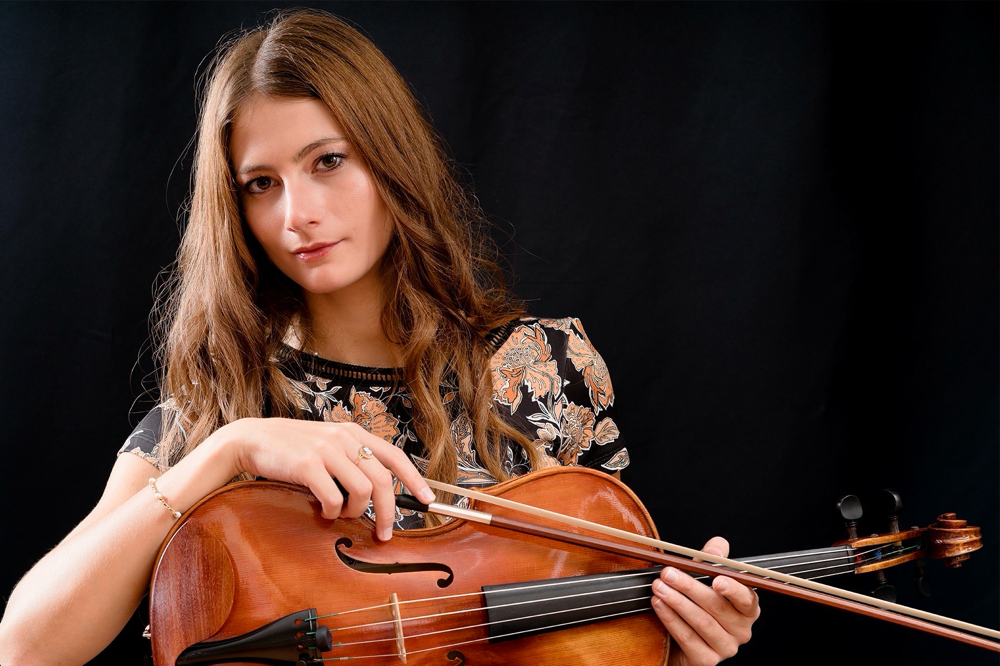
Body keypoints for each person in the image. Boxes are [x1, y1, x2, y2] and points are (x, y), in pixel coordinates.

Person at [0, 9, 759, 665]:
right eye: (261, 183)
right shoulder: (218, 404)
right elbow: (27, 647)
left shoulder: (548, 368)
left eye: (328, 161)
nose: (296, 213)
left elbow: (603, 640)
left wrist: (684, 643)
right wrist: (227, 452)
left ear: (390, 157)